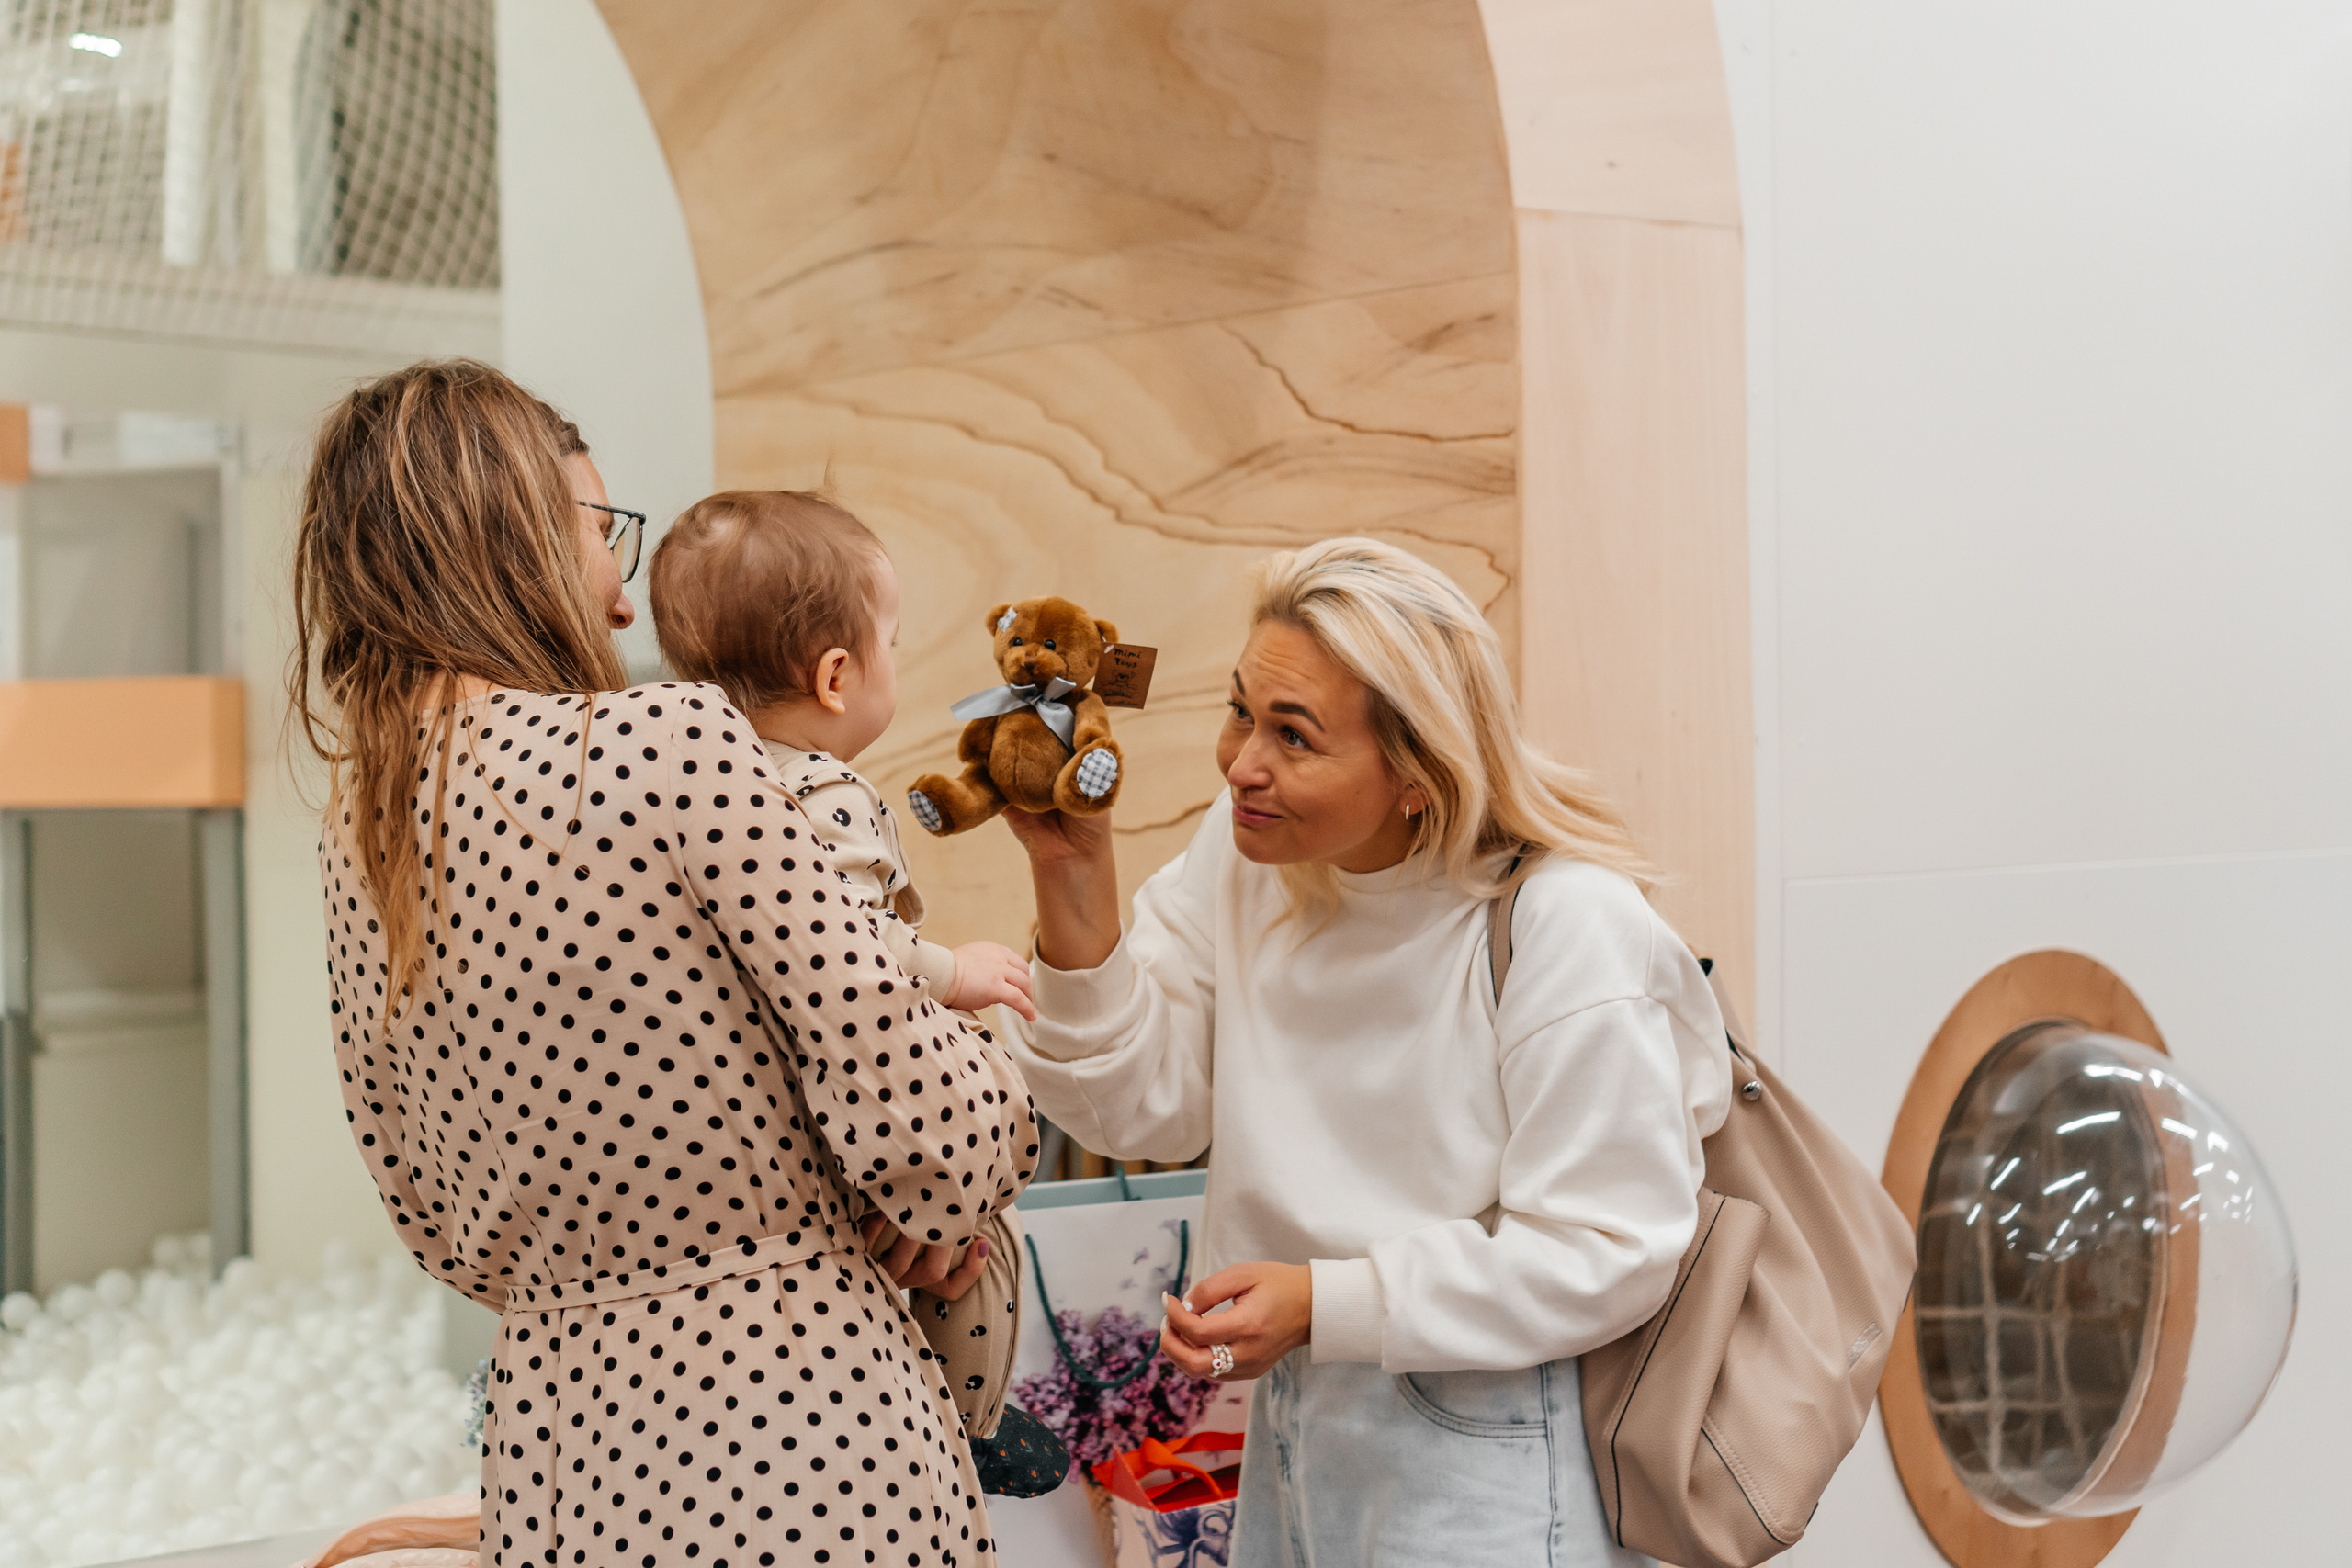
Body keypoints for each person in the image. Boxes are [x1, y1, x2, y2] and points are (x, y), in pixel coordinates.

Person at [289, 360, 1039, 1568]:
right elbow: (944, 1136)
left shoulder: (361, 833)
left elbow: (433, 1220)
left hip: (561, 1464)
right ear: (517, 533)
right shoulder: (668, 741)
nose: (625, 604)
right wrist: (917, 1183)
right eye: (604, 534)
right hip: (805, 1441)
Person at [1003, 536, 1734, 1566]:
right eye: (1240, 710)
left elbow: (1608, 1247)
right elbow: (1136, 1105)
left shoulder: (1567, 922)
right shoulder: (1250, 856)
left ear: (1416, 773)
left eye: (1293, 736)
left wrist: (1326, 1302)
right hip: (1295, 1412)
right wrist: (1073, 873)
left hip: (1493, 1437)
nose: (1242, 763)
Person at [644, 488, 1043, 1454]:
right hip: (862, 1109)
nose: (891, 661)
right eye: (891, 643)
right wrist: (955, 971)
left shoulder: (677, 796)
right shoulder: (823, 792)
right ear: (836, 676)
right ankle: (969, 1426)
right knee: (981, 1249)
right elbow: (849, 950)